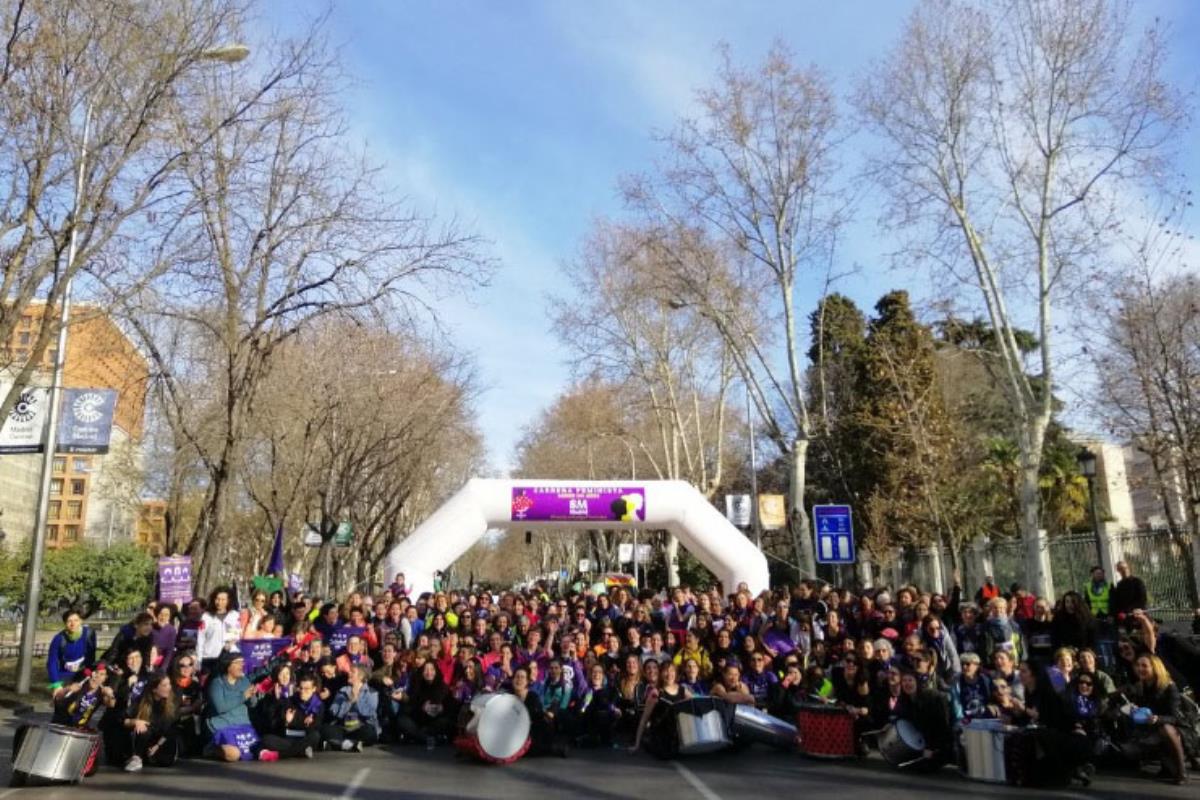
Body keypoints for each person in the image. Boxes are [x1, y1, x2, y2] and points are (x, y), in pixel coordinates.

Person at [1121, 654, 1188, 785]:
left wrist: (1158, 719)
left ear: (1155, 667)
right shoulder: (1140, 686)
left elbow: (1176, 718)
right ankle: (1166, 764)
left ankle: (1182, 772)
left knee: (1166, 729)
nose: (1140, 669)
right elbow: (1141, 712)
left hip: (1176, 730)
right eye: (1138, 666)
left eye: (1144, 665)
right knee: (1129, 751)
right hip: (1150, 729)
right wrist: (1134, 710)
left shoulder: (1169, 687)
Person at [205, 651, 266, 762]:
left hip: (243, 726)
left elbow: (252, 704)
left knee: (258, 750)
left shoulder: (244, 681)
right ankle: (212, 749)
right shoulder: (217, 684)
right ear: (228, 666)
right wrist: (243, 696)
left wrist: (253, 695)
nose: (241, 665)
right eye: (237, 663)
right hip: (223, 726)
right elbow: (221, 707)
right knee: (234, 754)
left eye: (242, 662)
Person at [892, 670, 953, 771]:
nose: (907, 684)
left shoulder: (930, 699)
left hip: (937, 742)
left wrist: (932, 748)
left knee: (923, 767)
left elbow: (940, 727)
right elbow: (898, 717)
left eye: (910, 680)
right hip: (921, 741)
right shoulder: (904, 700)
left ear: (917, 682)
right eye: (904, 681)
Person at [122, 673, 179, 771]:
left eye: (169, 684)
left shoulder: (172, 702)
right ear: (154, 689)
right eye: (164, 685)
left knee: (165, 761)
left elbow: (171, 728)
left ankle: (150, 756)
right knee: (143, 728)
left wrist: (157, 745)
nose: (169, 688)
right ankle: (137, 757)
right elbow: (122, 719)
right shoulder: (141, 702)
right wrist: (135, 721)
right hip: (146, 735)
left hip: (163, 738)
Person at [260, 673, 323, 759]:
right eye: (300, 688)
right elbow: (278, 726)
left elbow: (316, 727)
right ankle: (300, 751)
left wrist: (309, 724)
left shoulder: (318, 705)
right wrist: (286, 722)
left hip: (305, 739)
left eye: (306, 689)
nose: (302, 691)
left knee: (315, 736)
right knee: (266, 739)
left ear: (314, 689)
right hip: (289, 738)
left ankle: (278, 755)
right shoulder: (290, 701)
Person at [396, 660, 455, 746]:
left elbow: (447, 707)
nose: (429, 672)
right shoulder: (418, 685)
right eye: (426, 670)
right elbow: (412, 705)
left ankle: (420, 736)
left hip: (434, 721)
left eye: (431, 670)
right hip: (419, 721)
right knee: (402, 719)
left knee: (446, 722)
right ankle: (424, 737)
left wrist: (440, 709)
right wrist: (422, 707)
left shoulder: (442, 687)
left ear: (436, 671)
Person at [323, 663, 379, 751]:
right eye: (350, 671)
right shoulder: (342, 691)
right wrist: (349, 702)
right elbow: (334, 712)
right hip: (343, 727)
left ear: (361, 676)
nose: (349, 673)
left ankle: (338, 744)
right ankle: (350, 744)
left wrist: (356, 700)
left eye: (353, 672)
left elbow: (368, 713)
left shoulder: (372, 693)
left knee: (370, 733)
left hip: (360, 727)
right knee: (325, 730)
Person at [47, 608, 97, 696]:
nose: (73, 624)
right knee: (62, 704)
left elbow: (91, 657)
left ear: (81, 621)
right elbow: (52, 662)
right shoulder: (58, 638)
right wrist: (56, 684)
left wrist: (89, 675)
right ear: (65, 623)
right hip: (64, 676)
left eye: (76, 620)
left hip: (83, 675)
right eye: (69, 621)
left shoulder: (89, 634)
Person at [199, 588, 241, 672]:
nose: (219, 602)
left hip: (228, 658)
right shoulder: (206, 616)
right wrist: (198, 660)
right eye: (217, 599)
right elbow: (200, 639)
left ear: (228, 601)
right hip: (209, 657)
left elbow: (236, 635)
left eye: (223, 599)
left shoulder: (234, 615)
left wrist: (232, 643)